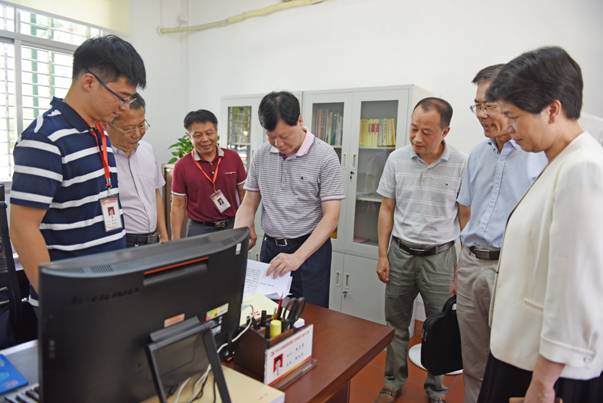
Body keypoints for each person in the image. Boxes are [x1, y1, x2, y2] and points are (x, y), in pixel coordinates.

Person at [478, 47, 603, 403]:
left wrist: (543, 384)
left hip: (544, 371)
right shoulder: (559, 161)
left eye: (514, 117)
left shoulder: (583, 168)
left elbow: (576, 290)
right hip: (522, 353)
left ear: (552, 109)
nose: (508, 128)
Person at [9, 35, 146, 303]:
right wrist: (55, 299)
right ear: (89, 82)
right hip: (71, 298)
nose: (123, 108)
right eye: (121, 97)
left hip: (108, 286)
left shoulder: (98, 132)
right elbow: (22, 228)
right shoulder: (45, 138)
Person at [455, 65, 547, 403]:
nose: (482, 114)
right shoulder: (477, 155)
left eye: (490, 105)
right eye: (478, 105)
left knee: (510, 362)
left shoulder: (538, 157)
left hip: (511, 270)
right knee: (472, 359)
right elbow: (465, 211)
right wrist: (463, 263)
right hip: (471, 266)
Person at [374, 97, 466, 403]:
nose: (417, 138)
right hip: (400, 253)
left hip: (440, 257)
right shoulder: (397, 160)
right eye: (413, 129)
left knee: (439, 327)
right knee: (396, 324)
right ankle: (392, 382)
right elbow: (386, 208)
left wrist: (462, 267)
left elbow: (465, 217)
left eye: (426, 132)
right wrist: (383, 254)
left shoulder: (461, 164)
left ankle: (436, 389)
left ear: (445, 132)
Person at [234, 91, 344, 307]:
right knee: (266, 312)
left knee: (311, 315)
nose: (278, 143)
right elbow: (248, 203)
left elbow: (331, 217)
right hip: (271, 249)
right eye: (271, 137)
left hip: (309, 250)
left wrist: (297, 257)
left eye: (284, 136)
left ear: (300, 121)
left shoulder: (325, 156)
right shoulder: (262, 155)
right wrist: (240, 235)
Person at [171, 110, 246, 239]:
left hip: (231, 225)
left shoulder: (233, 158)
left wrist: (249, 225)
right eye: (198, 135)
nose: (205, 139)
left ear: (216, 132)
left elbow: (244, 194)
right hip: (199, 229)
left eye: (209, 133)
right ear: (189, 136)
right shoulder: (182, 166)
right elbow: (178, 205)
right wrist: (175, 239)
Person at [107, 94, 168, 247]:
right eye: (128, 129)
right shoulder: (100, 157)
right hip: (122, 241)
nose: (137, 134)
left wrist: (164, 234)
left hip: (153, 240)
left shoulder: (147, 149)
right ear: (107, 124)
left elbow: (155, 192)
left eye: (141, 125)